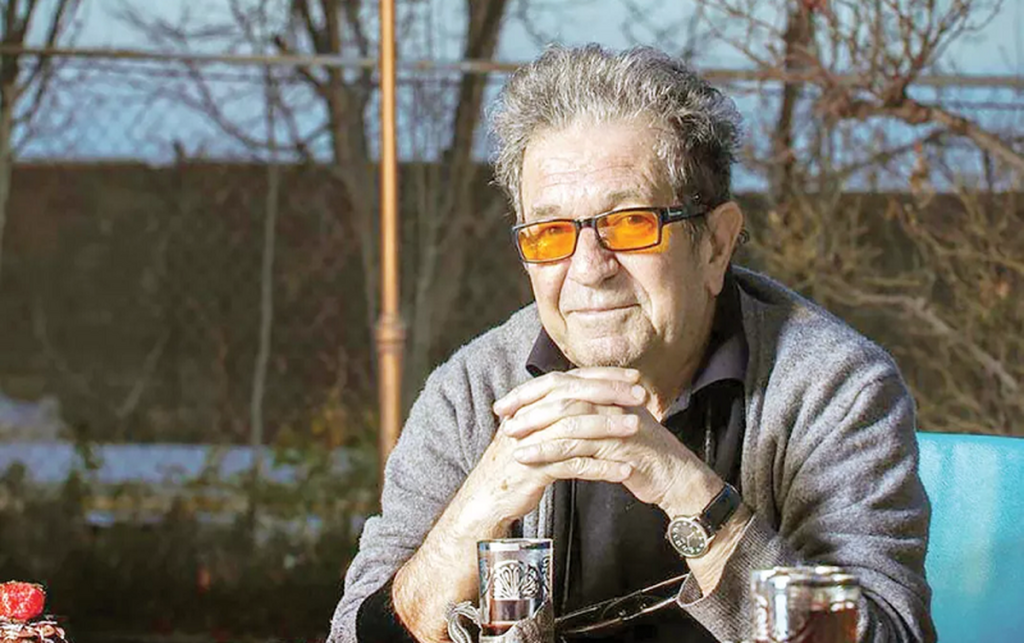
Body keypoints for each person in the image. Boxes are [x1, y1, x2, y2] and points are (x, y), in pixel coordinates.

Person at [329, 44, 934, 643]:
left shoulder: (835, 388)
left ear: (716, 245)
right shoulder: (470, 394)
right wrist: (475, 512)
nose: (589, 269)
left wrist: (687, 491)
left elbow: (887, 636)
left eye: (629, 224)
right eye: (551, 232)